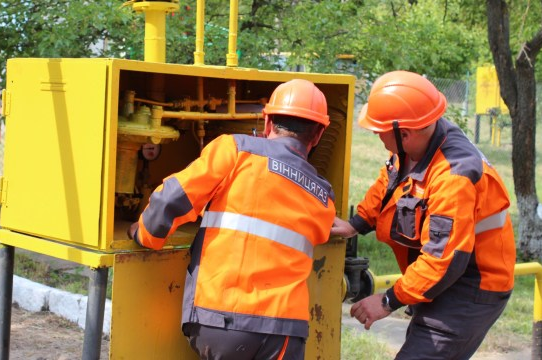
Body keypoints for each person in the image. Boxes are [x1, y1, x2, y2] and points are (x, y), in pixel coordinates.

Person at [128, 79, 336, 360]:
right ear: (319, 134)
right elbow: (314, 232)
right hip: (286, 331)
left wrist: (145, 234)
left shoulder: (235, 150)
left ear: (268, 122)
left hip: (224, 321)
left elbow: (172, 198)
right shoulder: (324, 194)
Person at [332, 70, 516, 359]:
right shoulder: (416, 142)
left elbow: (443, 260)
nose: (376, 135)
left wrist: (387, 300)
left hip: (471, 288)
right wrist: (356, 223)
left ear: (403, 133)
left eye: (378, 130)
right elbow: (389, 183)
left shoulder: (454, 176)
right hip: (445, 279)